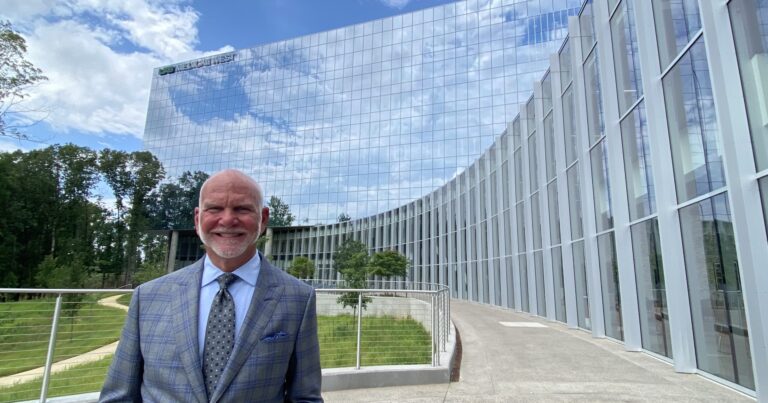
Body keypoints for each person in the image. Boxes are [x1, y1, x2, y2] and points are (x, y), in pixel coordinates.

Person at [100, 169, 323, 403]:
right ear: (197, 219)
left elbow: (305, 398)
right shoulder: (147, 297)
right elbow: (119, 396)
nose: (227, 220)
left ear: (263, 219)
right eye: (214, 208)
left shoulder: (298, 298)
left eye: (242, 208)